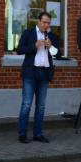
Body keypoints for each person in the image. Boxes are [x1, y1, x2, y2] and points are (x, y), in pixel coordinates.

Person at [16, 12, 59, 144]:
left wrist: (50, 46)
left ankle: (38, 134)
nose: (46, 25)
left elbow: (58, 53)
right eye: (44, 22)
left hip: (44, 73)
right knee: (27, 104)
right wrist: (34, 46)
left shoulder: (51, 36)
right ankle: (22, 134)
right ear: (38, 22)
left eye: (48, 23)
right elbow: (19, 50)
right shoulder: (28, 33)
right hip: (30, 73)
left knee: (41, 106)